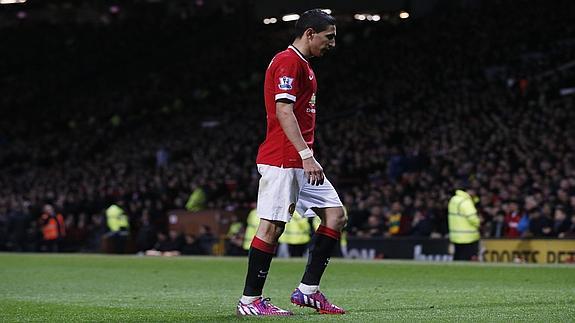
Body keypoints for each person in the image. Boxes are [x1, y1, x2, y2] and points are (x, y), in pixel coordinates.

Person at [236, 9, 346, 316]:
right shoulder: (287, 61)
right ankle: (249, 301)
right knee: (272, 227)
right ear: (310, 33)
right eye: (329, 37)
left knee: (336, 216)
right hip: (284, 158)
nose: (332, 44)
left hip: (299, 159)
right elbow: (283, 111)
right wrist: (306, 155)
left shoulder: (305, 66)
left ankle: (308, 291)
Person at [447, 189, 480, 261]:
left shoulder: (453, 199)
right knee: (468, 259)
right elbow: (472, 218)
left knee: (458, 257)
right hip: (468, 236)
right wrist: (479, 222)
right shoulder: (465, 201)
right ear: (468, 191)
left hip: (455, 235)